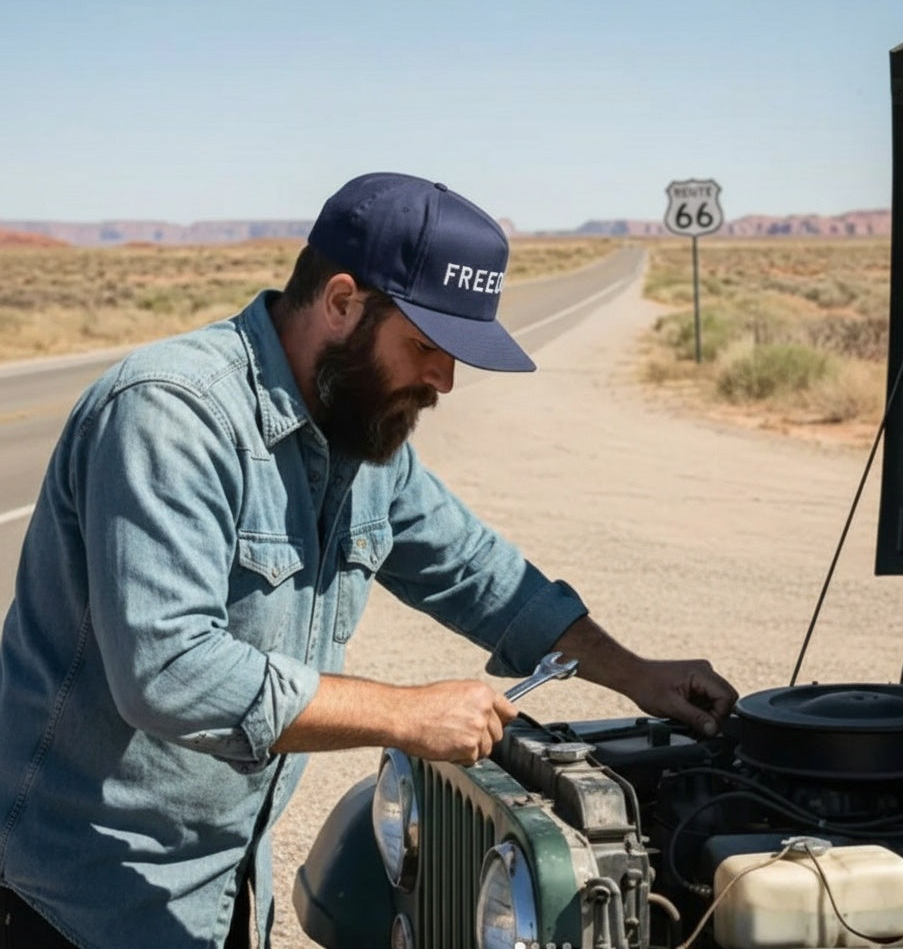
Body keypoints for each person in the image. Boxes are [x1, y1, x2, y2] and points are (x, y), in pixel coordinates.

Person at [0, 172, 737, 949]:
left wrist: (635, 672)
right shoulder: (171, 417)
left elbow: (479, 574)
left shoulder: (359, 434)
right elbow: (170, 672)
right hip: (74, 896)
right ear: (342, 303)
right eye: (425, 347)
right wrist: (407, 715)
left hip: (220, 884)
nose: (444, 381)